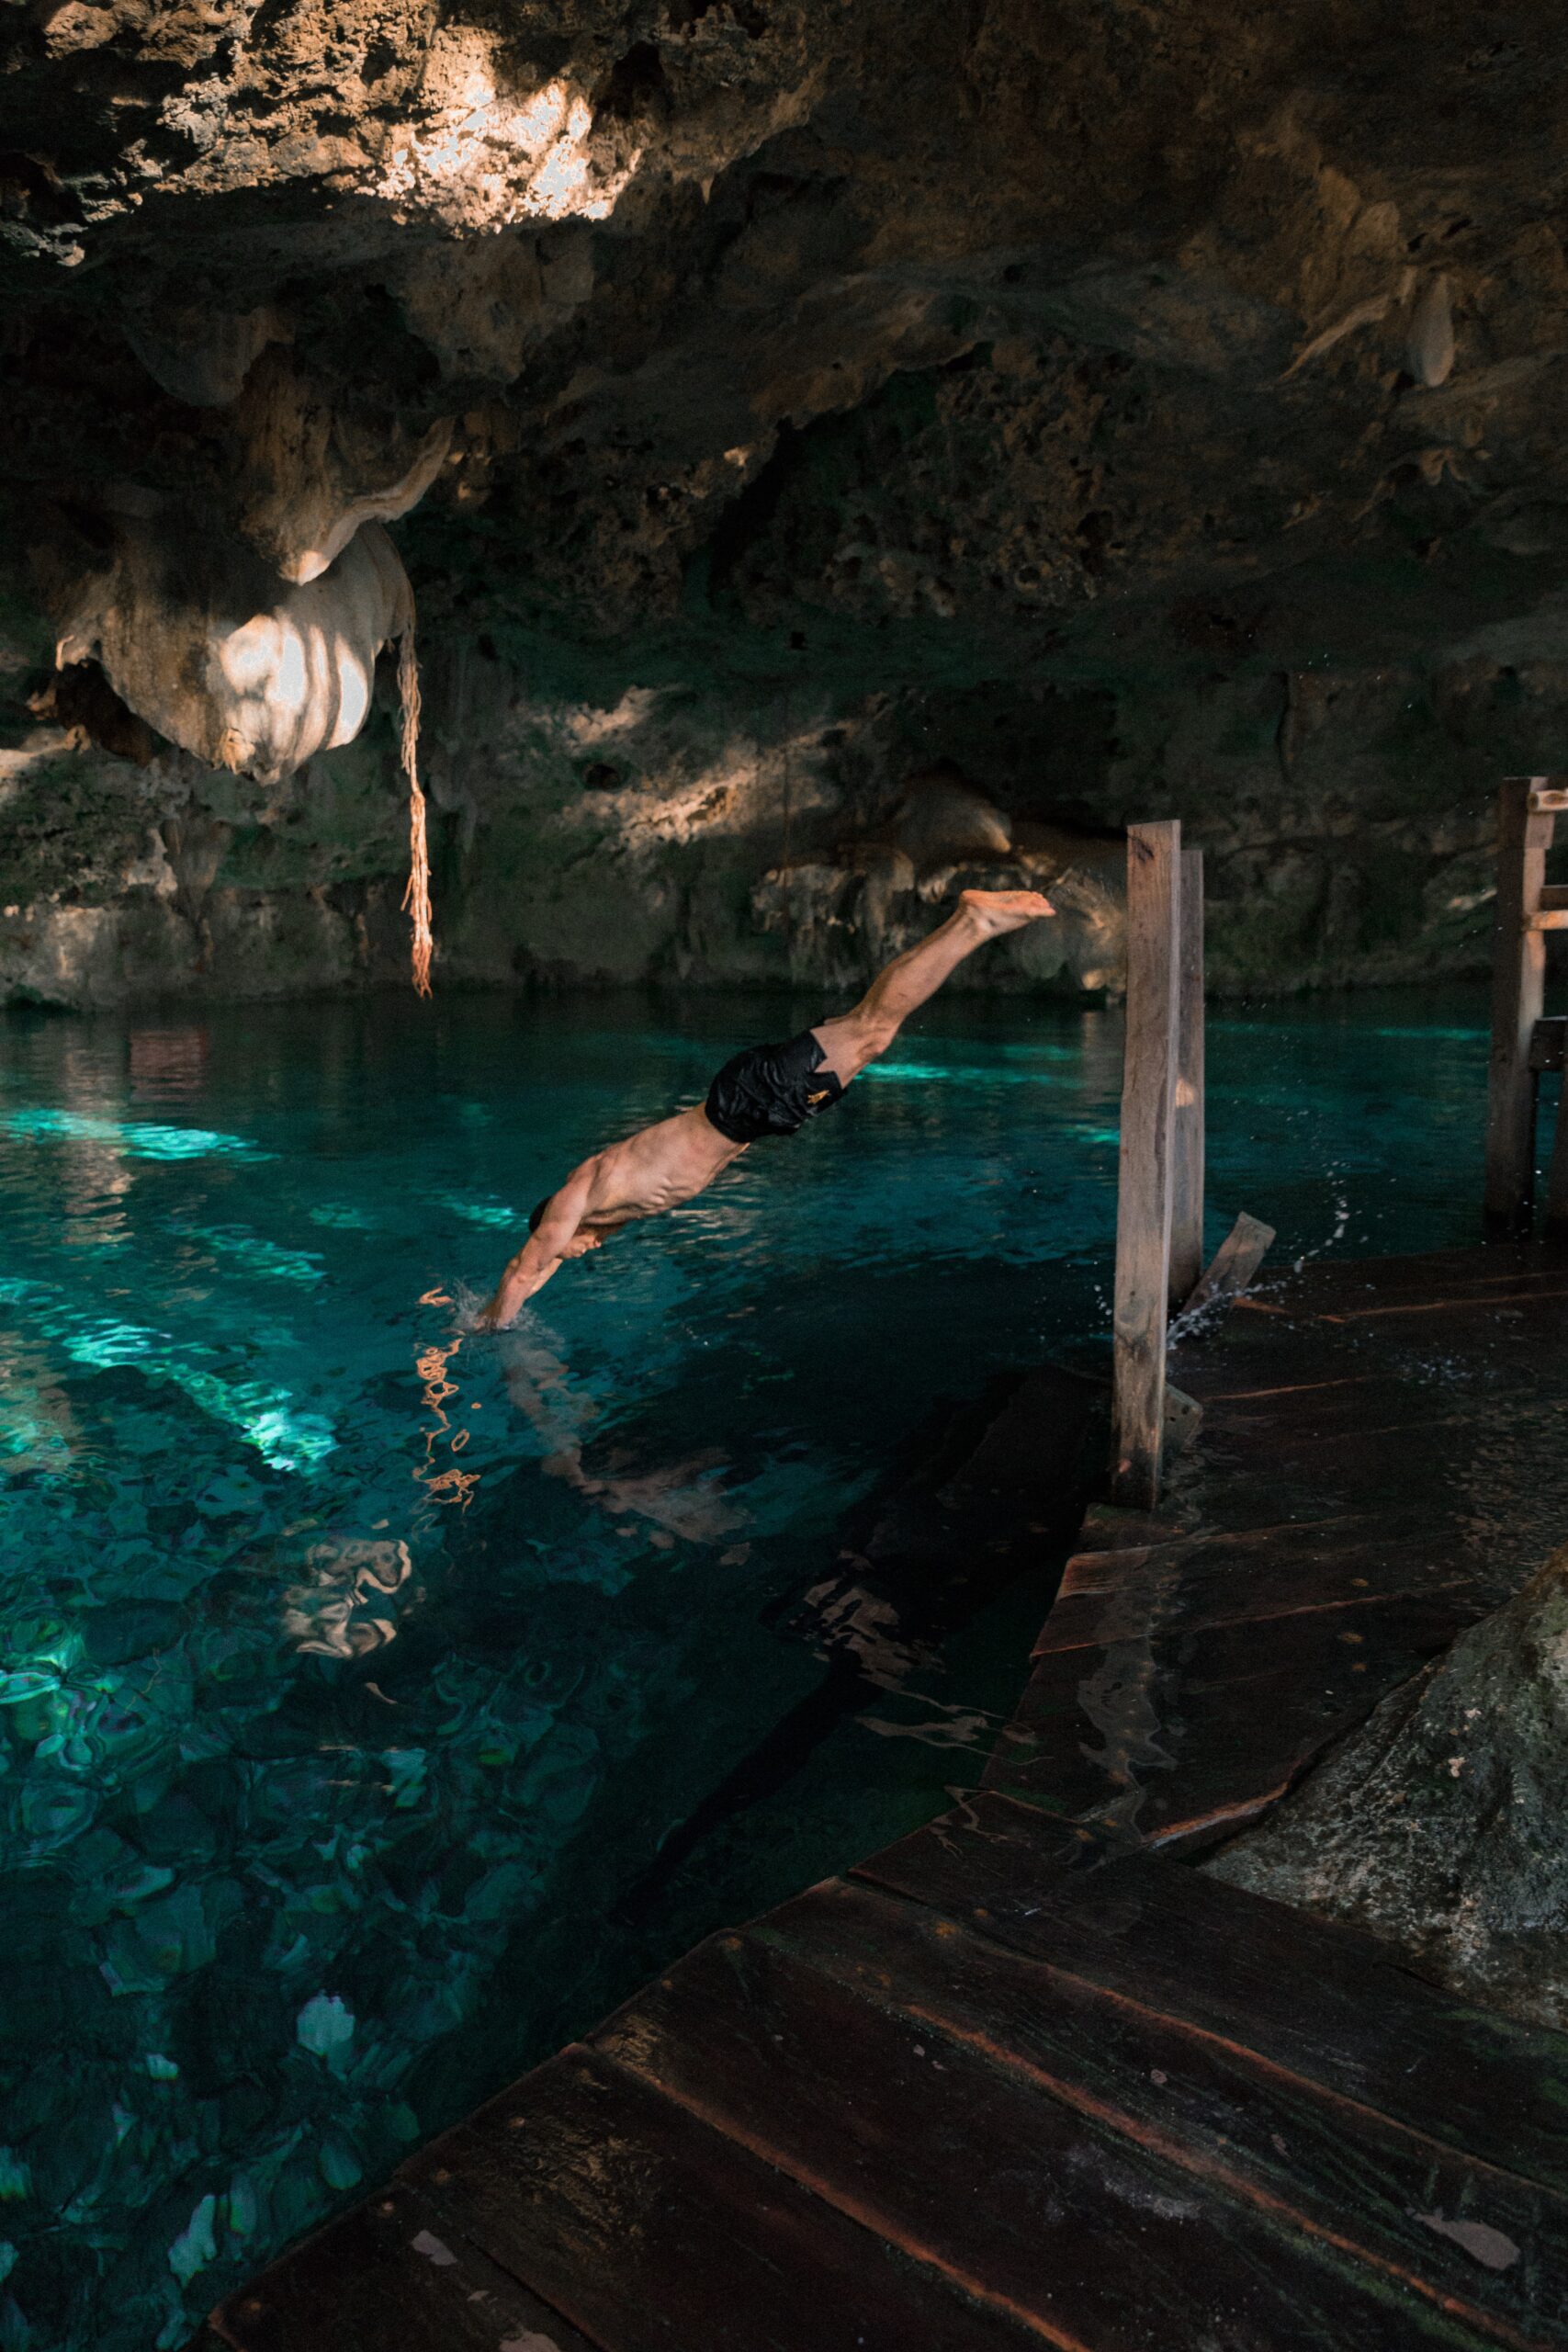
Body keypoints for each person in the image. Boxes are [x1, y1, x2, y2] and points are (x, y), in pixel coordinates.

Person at [475, 887, 1055, 1329]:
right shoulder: (604, 1208)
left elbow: (529, 1267)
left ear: (556, 1222)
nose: (584, 1251)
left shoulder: (579, 1195)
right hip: (754, 1109)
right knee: (870, 1034)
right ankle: (972, 924)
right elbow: (537, 1268)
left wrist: (485, 1330)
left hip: (745, 1102)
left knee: (872, 1030)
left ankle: (974, 921)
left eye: (574, 1248)